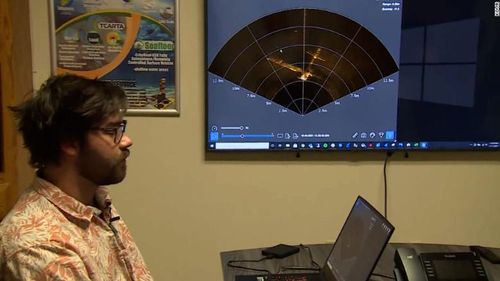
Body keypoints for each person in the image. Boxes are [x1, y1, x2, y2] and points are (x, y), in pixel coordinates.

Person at [0, 74, 153, 280]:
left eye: (121, 128)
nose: (127, 140)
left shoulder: (94, 204)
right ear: (69, 142)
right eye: (111, 131)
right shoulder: (40, 248)